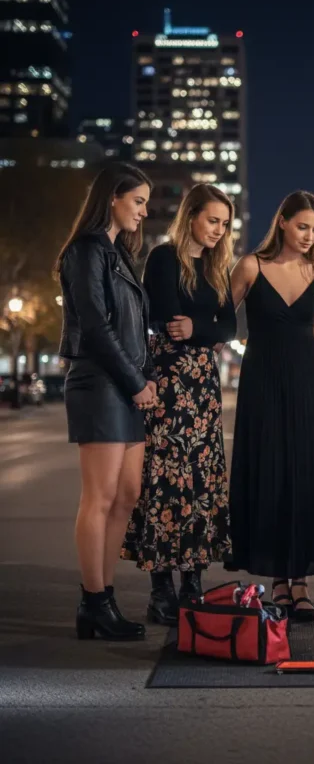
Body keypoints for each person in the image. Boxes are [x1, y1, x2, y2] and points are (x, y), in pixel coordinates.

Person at [122, 184, 237, 626]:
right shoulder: (164, 257)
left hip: (204, 385)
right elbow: (170, 322)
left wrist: (200, 329)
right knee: (166, 480)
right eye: (212, 220)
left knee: (202, 483)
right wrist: (200, 328)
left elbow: (229, 325)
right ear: (191, 215)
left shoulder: (216, 266)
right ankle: (161, 590)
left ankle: (193, 582)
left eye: (224, 223)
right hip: (169, 381)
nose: (218, 230)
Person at [54, 162, 157, 641]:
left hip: (126, 382)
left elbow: (134, 328)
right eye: (137, 201)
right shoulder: (86, 251)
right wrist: (135, 381)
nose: (143, 211)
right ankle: (95, 602)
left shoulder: (117, 255)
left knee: (128, 492)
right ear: (112, 197)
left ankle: (104, 596)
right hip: (99, 382)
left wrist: (144, 377)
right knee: (98, 496)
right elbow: (95, 326)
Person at [226, 191, 314, 622]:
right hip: (263, 383)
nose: (309, 235)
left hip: (308, 382)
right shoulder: (251, 266)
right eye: (302, 226)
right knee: (270, 471)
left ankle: (302, 582)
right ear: (283, 223)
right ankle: (277, 582)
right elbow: (222, 313)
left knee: (305, 474)